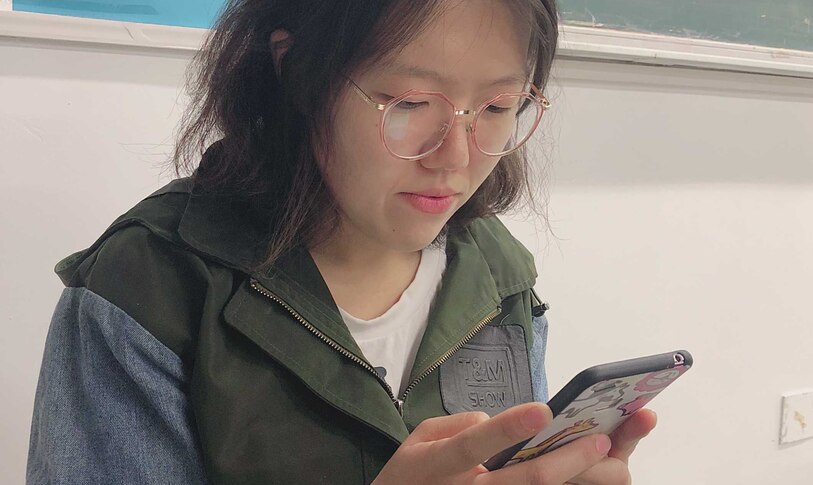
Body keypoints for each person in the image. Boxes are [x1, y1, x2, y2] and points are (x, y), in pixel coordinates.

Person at [27, 0, 657, 483]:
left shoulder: (496, 273)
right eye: (411, 102)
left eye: (497, 107)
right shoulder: (149, 290)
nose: (456, 158)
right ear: (297, 73)